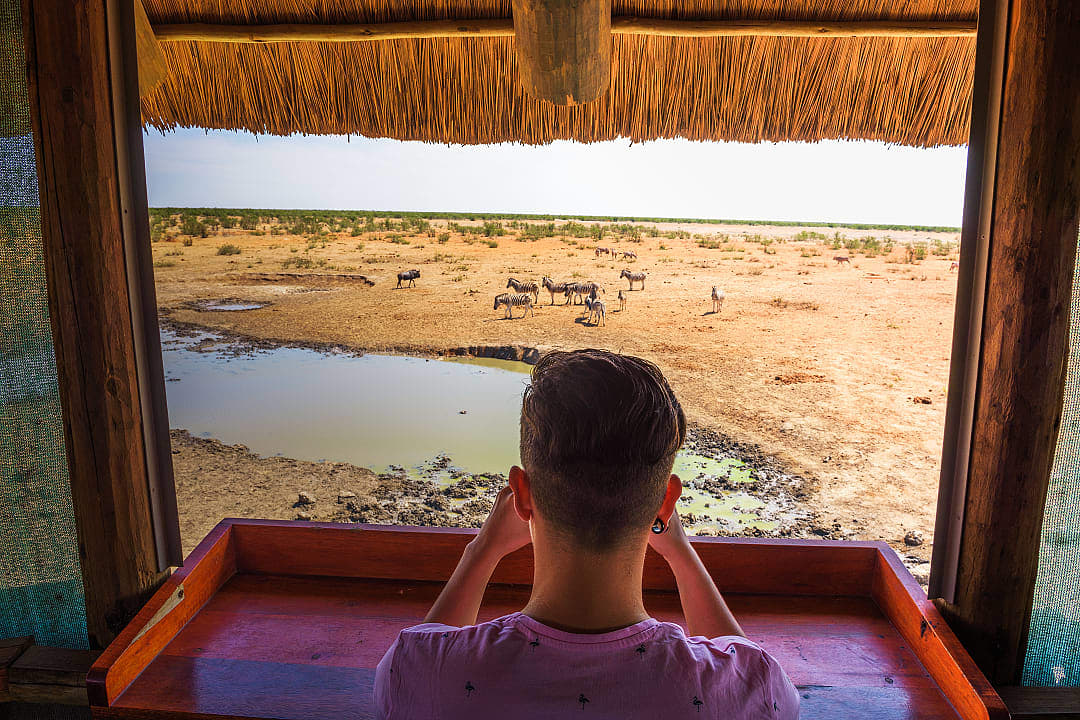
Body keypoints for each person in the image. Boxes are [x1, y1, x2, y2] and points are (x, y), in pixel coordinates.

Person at [375, 349, 799, 719]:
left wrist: (481, 551)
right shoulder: (748, 687)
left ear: (521, 495)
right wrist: (681, 556)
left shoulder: (420, 670)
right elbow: (741, 660)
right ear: (666, 503)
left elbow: (426, 648)